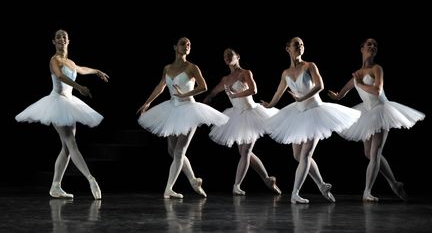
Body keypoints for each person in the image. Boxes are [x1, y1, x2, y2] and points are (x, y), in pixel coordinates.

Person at [261, 37, 361, 204]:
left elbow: (319, 86)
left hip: (315, 112)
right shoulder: (286, 73)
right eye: (296, 44)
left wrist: (301, 98)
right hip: (298, 114)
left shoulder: (310, 65)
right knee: (297, 155)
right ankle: (322, 185)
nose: (300, 47)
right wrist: (269, 104)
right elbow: (278, 93)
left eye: (301, 44)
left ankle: (295, 193)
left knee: (306, 154)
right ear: (288, 49)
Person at [15, 29, 109, 200]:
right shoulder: (54, 60)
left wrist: (96, 71)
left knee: (66, 148)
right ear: (53, 42)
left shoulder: (70, 62)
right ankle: (91, 179)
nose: (61, 39)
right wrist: (80, 87)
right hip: (57, 103)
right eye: (57, 37)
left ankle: (55, 186)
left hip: (69, 102)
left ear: (68, 40)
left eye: (63, 36)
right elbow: (60, 76)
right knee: (71, 142)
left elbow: (80, 69)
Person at [328, 38, 425, 202]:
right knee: (368, 153)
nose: (372, 46)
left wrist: (359, 83)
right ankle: (394, 184)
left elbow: (377, 90)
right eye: (369, 44)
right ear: (361, 49)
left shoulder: (376, 68)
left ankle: (367, 192)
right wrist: (335, 96)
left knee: (375, 152)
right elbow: (342, 93)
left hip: (381, 109)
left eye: (375, 45)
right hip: (367, 112)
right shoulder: (357, 74)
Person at [137, 37, 229, 199]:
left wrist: (184, 94)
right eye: (183, 44)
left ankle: (169, 189)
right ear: (175, 47)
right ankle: (193, 180)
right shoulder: (167, 68)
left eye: (189, 45)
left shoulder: (192, 67)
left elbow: (204, 87)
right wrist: (147, 103)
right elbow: (161, 86)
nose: (187, 46)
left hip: (189, 109)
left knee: (179, 151)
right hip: (172, 108)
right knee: (171, 150)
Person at [203, 48, 281, 196]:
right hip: (237, 115)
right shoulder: (225, 79)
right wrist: (205, 102)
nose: (226, 57)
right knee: (244, 152)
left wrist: (235, 94)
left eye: (230, 54)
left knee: (245, 151)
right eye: (224, 55)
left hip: (251, 113)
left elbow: (254, 90)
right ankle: (267, 179)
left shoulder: (245, 73)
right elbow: (213, 92)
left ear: (237, 56)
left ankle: (237, 185)